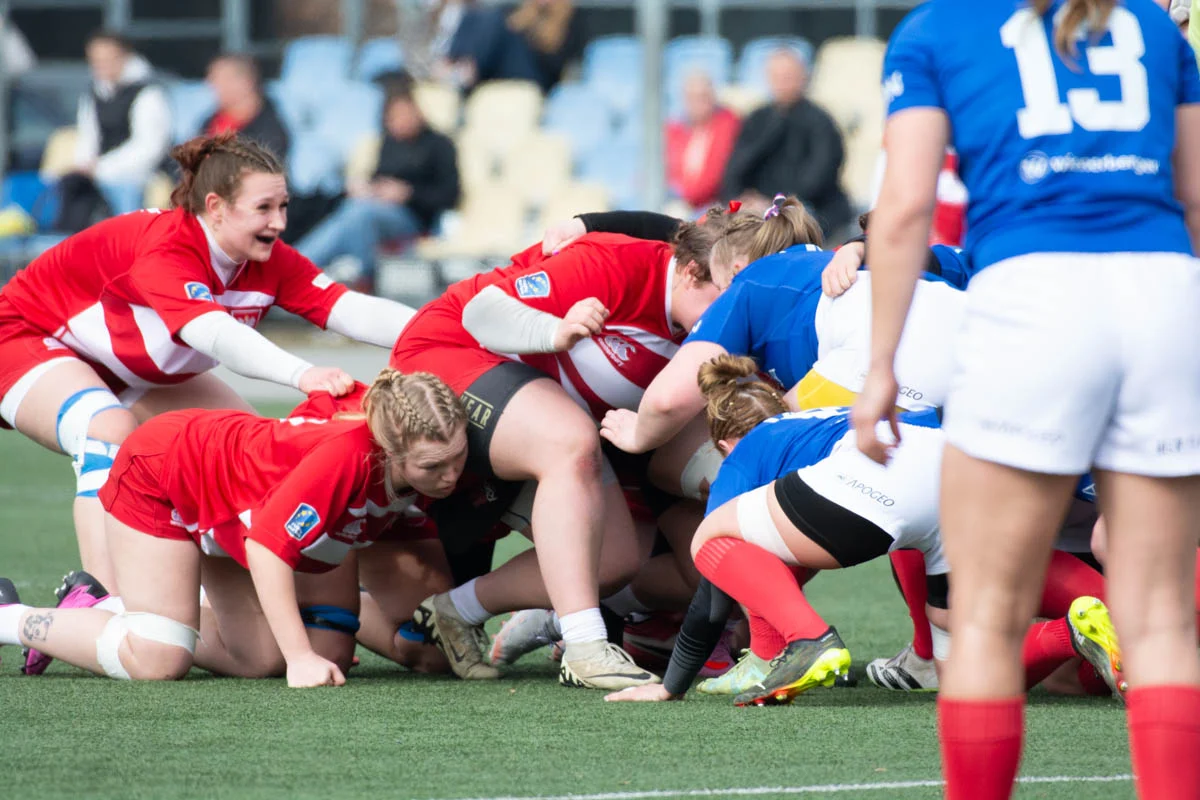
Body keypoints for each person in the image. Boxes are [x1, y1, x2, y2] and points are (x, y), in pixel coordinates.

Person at [853, 2, 1200, 798]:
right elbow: (1196, 196)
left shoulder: (938, 28)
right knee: (1161, 622)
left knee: (983, 619)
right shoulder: (1149, 23)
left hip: (1033, 297)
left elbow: (903, 209)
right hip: (1162, 294)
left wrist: (880, 366)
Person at [0, 132, 419, 599]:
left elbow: (348, 308)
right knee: (107, 431)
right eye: (263, 208)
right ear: (216, 207)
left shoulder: (264, 255)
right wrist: (303, 374)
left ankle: (231, 604)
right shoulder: (168, 247)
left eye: (283, 207)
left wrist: (441, 329)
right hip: (24, 339)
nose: (279, 222)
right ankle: (104, 606)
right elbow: (217, 335)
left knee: (241, 447)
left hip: (125, 367)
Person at [605, 356, 1123, 706]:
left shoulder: (749, 449)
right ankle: (1070, 631)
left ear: (722, 444)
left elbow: (712, 596)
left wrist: (671, 685)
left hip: (886, 487)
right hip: (957, 482)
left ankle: (809, 640)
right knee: (961, 681)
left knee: (711, 539)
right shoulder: (816, 418)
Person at [390, 227, 725, 690]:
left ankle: (453, 610)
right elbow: (481, 310)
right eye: (725, 295)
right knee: (569, 438)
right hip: (450, 352)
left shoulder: (708, 319)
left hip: (540, 410)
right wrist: (554, 330)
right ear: (691, 272)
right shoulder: (617, 262)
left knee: (612, 560)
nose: (731, 313)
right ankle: (585, 647)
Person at [0, 368, 468, 687]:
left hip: (234, 509)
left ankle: (112, 606)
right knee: (160, 660)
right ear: (389, 449)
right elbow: (267, 549)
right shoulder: (345, 457)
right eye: (434, 466)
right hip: (163, 474)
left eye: (459, 458)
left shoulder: (418, 436)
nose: (451, 476)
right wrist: (301, 660)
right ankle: (14, 618)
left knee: (266, 659)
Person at [598, 196, 965, 457]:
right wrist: (861, 246)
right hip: (971, 341)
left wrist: (638, 436)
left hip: (882, 363)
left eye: (718, 287)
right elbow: (958, 262)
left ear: (737, 270)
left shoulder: (748, 285)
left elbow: (667, 401)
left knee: (755, 451)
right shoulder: (836, 260)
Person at [295, 87, 460, 290]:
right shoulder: (388, 144)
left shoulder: (439, 145)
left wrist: (408, 194)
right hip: (378, 210)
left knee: (358, 214)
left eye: (405, 113)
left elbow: (449, 196)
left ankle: (296, 268)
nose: (401, 120)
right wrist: (367, 188)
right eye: (395, 116)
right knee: (354, 212)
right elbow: (378, 177)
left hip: (417, 218)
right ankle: (311, 272)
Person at [722, 49, 852, 239]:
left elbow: (818, 179)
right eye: (777, 77)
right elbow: (736, 169)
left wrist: (774, 203)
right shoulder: (757, 119)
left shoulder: (820, 122)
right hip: (759, 209)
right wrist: (743, 197)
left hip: (810, 211)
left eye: (788, 76)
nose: (782, 83)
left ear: (803, 77)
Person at [70, 31, 172, 220]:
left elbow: (149, 148)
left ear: (125, 57)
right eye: (96, 60)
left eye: (108, 59)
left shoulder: (148, 94)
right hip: (99, 177)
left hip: (140, 178)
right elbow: (88, 137)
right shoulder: (93, 94)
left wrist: (102, 168)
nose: (101, 65)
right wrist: (85, 166)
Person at [666, 73, 741, 211]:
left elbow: (714, 177)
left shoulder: (727, 125)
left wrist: (684, 196)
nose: (697, 103)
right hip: (678, 200)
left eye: (703, 97)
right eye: (692, 98)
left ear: (713, 97)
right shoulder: (674, 129)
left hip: (712, 205)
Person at [203, 54, 291, 162]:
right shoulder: (210, 121)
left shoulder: (270, 128)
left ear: (247, 81)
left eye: (226, 79)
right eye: (213, 79)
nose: (215, 86)